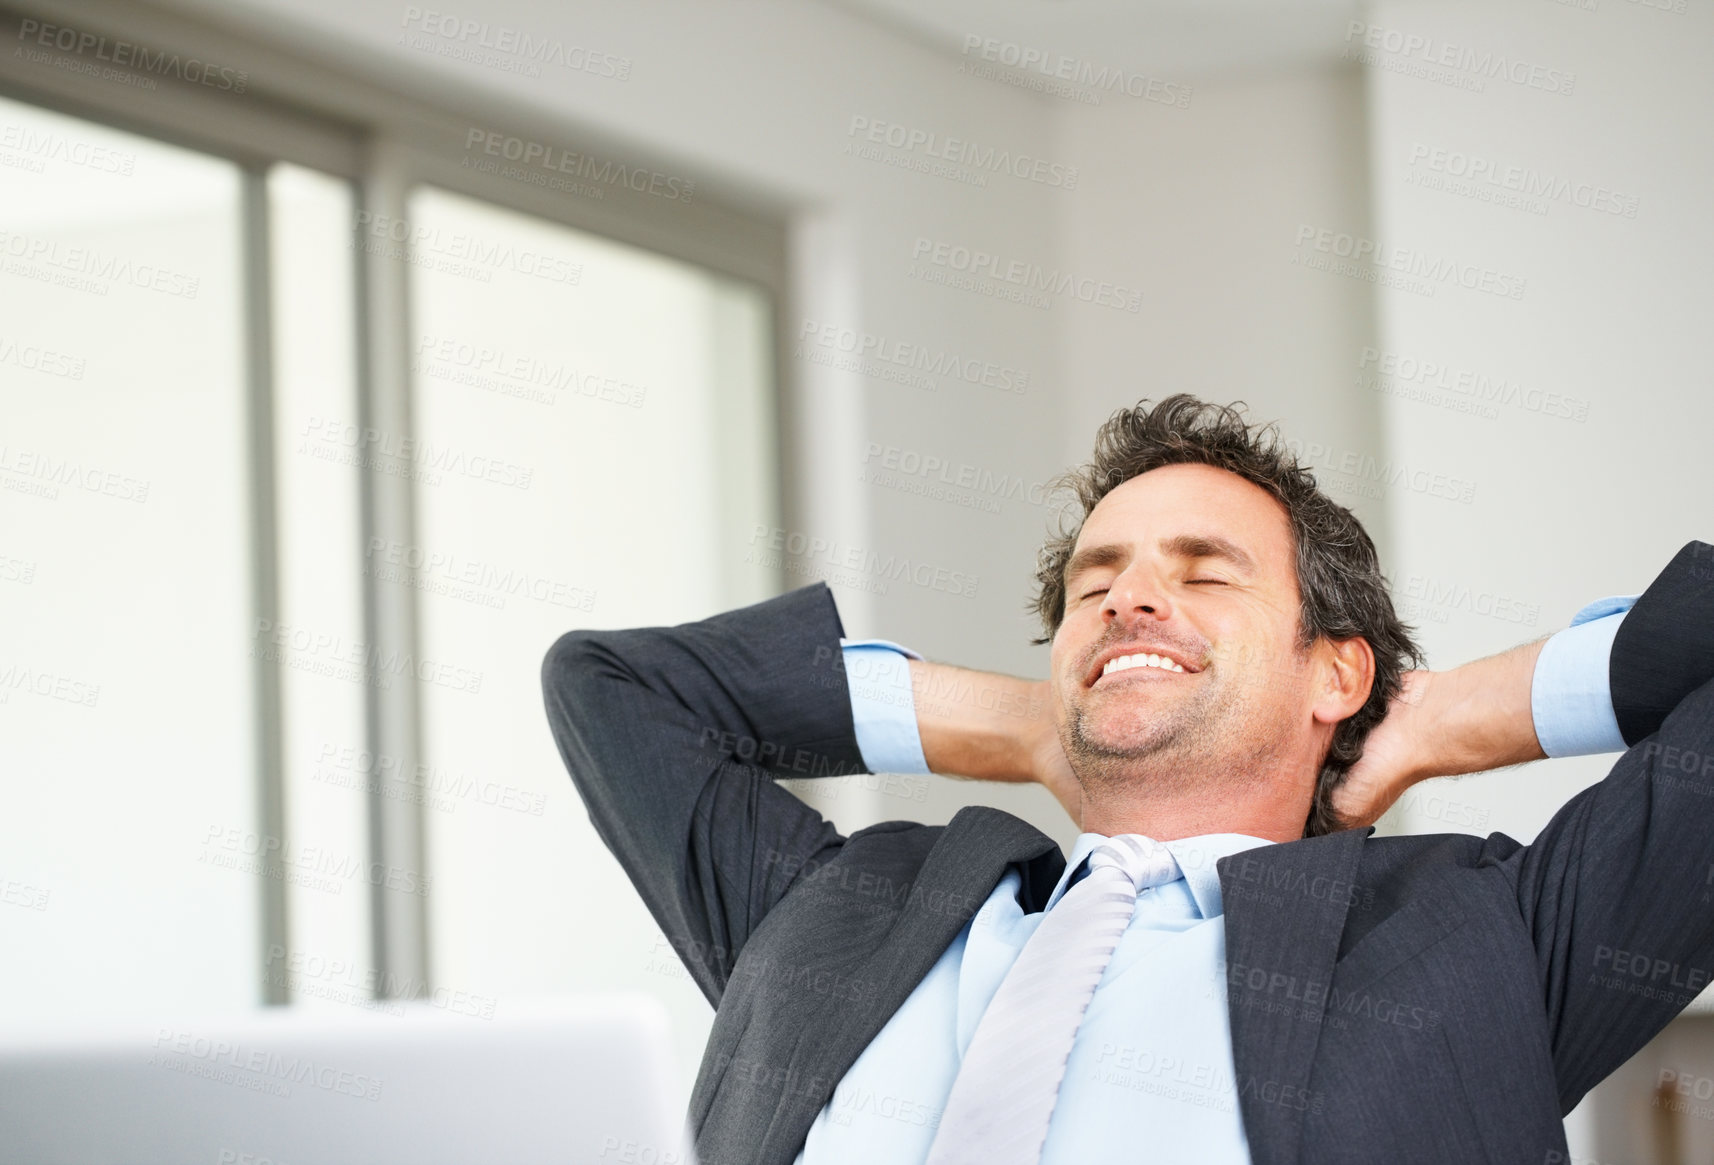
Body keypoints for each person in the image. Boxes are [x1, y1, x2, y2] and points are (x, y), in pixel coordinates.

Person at [542, 395, 1714, 1165]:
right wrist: (1025, 723)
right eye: (1094, 582)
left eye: (1204, 575)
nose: (1128, 598)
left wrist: (1444, 716)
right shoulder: (840, 910)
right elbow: (613, 689)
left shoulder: (1483, 937)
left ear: (1335, 671)